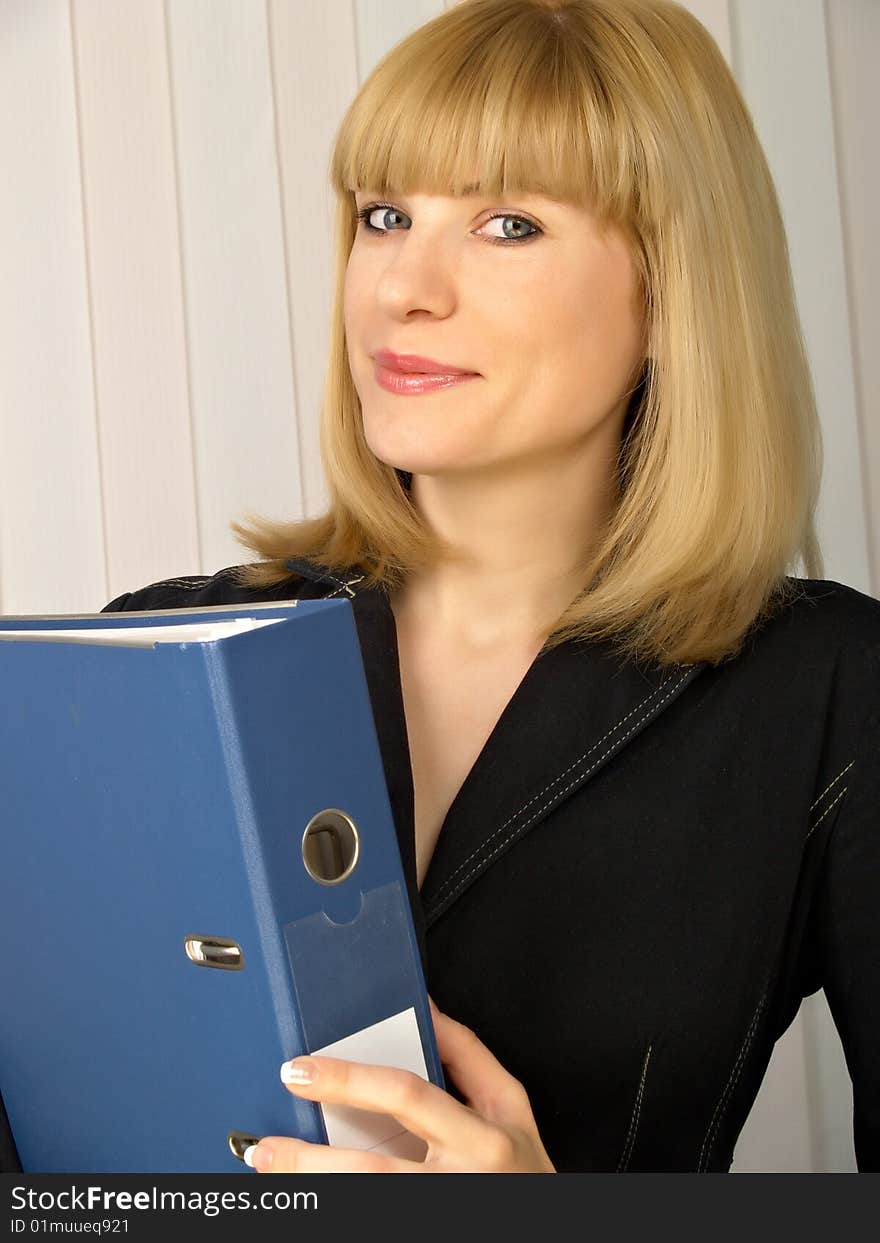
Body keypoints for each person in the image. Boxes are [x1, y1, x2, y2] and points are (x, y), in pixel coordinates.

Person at [2, 0, 878, 1174]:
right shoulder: (164, 645)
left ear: (673, 291)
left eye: (508, 223)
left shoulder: (827, 689)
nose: (402, 288)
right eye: (384, 215)